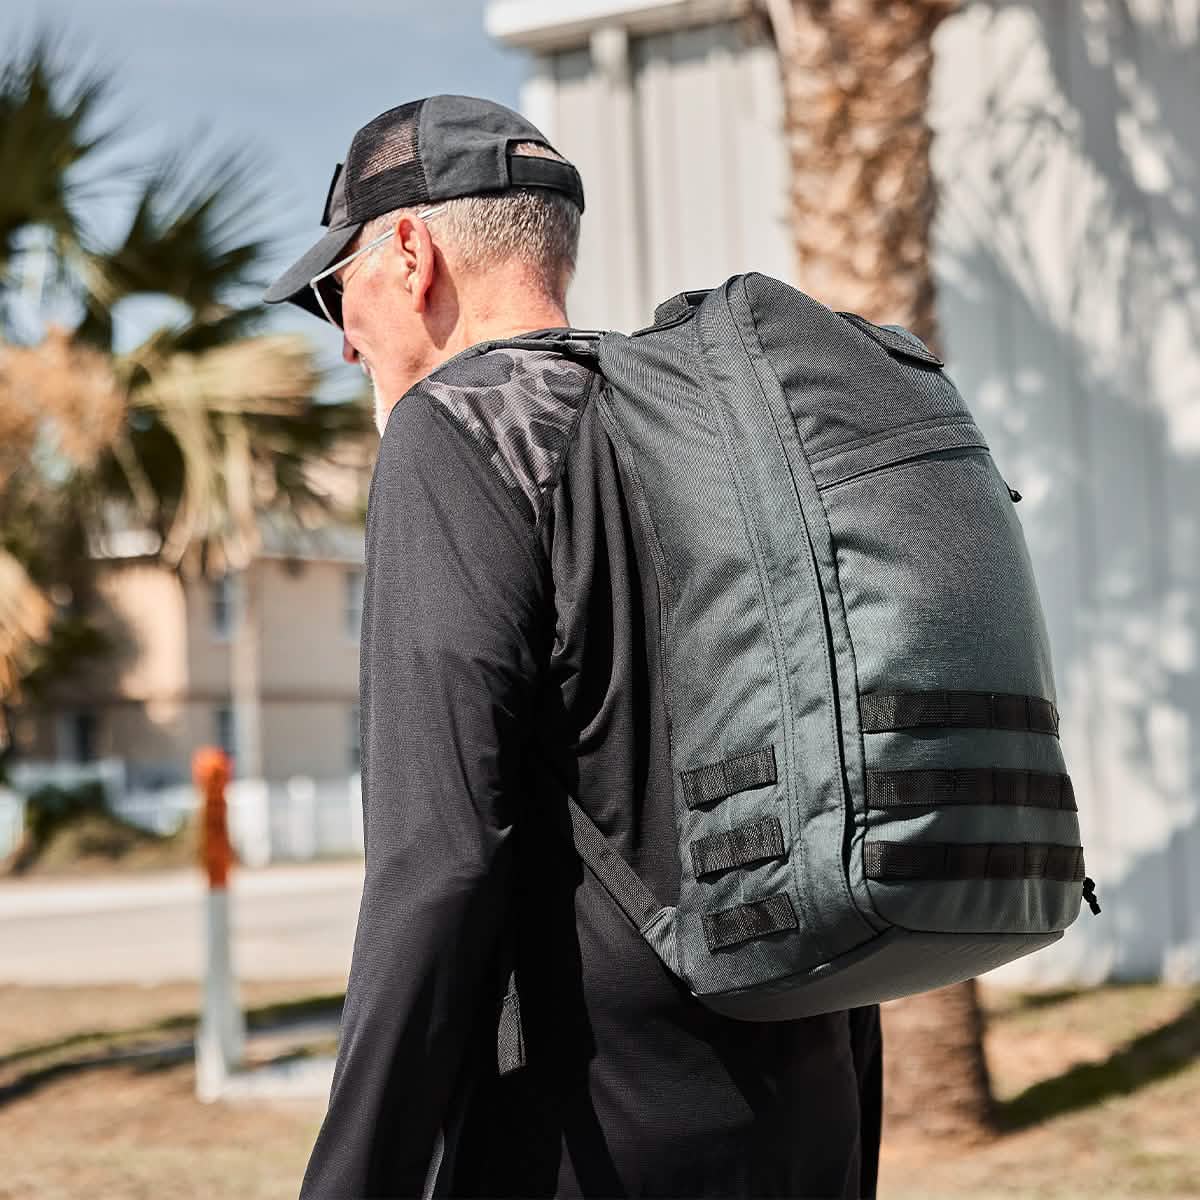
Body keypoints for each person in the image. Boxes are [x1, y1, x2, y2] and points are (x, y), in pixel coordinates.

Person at [264, 94, 882, 1200]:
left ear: (408, 252)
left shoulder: (458, 432)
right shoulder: (702, 434)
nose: (345, 338)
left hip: (591, 1137)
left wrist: (354, 1178)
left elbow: (438, 862)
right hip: (806, 1096)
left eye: (335, 292)